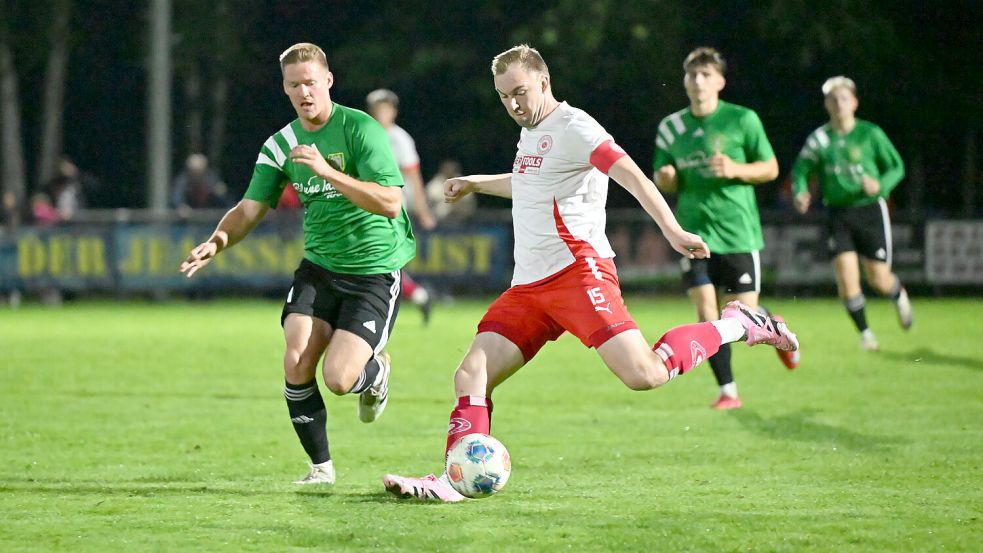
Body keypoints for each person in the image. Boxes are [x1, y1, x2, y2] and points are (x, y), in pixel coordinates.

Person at [382, 45, 798, 502]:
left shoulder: (575, 126)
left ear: (544, 81)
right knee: (471, 374)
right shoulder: (533, 130)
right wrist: (477, 182)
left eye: (520, 92)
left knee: (645, 374)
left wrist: (673, 229)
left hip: (579, 276)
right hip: (529, 289)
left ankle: (741, 323)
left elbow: (631, 174)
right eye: (504, 97)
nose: (514, 105)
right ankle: (453, 480)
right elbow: (530, 182)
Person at [180, 42, 416, 486]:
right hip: (320, 267)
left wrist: (327, 172)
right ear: (285, 90)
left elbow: (389, 202)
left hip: (373, 271)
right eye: (295, 85)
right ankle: (320, 469)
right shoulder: (281, 144)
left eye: (311, 82)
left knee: (340, 379)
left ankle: (377, 370)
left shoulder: (361, 129)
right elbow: (251, 207)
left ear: (328, 81)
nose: (305, 91)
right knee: (295, 359)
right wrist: (218, 239)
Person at [652, 47, 797, 411]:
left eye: (705, 74)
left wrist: (736, 169)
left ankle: (770, 324)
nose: (697, 81)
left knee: (742, 315)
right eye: (691, 75)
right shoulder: (671, 127)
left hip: (738, 233)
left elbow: (771, 168)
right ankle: (728, 392)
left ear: (720, 81)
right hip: (694, 234)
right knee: (708, 316)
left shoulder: (742, 120)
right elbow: (662, 178)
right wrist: (665, 177)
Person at [791, 76, 912, 351]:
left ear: (854, 102)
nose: (838, 104)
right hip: (837, 213)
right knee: (846, 279)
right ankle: (866, 335)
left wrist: (880, 185)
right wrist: (800, 191)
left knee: (879, 279)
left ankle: (898, 294)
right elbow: (800, 170)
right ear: (826, 104)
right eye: (833, 99)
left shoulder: (870, 134)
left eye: (844, 98)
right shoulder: (820, 139)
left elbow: (896, 166)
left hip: (870, 211)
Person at [366, 89, 436, 324]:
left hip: (392, 208)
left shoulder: (400, 139)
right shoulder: (364, 134)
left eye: (386, 108)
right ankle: (419, 295)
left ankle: (408, 297)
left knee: (378, 258)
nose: (382, 113)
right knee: (377, 258)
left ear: (394, 111)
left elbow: (413, 177)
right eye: (378, 108)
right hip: (368, 206)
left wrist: (422, 209)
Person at [426, 159, 476, 224]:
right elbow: (431, 199)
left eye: (452, 169)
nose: (450, 171)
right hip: (440, 219)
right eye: (447, 169)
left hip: (462, 218)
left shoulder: (463, 181)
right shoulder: (435, 184)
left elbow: (470, 199)